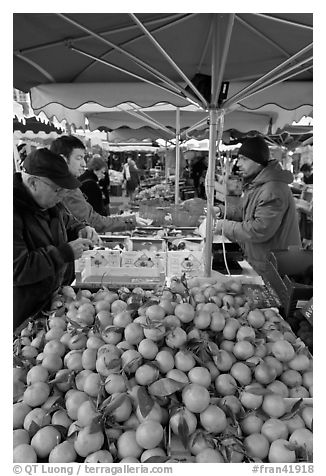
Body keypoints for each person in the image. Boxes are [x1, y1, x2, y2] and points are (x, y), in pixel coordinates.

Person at [13, 148, 100, 330]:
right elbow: (17, 268)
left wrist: (82, 229)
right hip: (21, 316)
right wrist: (63, 253)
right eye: (57, 189)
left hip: (49, 306)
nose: (62, 196)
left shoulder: (53, 204)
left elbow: (69, 223)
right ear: (34, 183)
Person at [214, 136, 301, 275]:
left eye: (244, 159)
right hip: (261, 260)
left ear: (259, 161)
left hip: (276, 267)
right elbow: (243, 211)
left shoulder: (272, 189)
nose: (238, 164)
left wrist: (222, 226)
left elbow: (259, 229)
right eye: (239, 158)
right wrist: (220, 211)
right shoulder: (256, 184)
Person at [50, 136, 146, 232]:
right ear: (63, 160)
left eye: (84, 158)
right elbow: (91, 221)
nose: (83, 164)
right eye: (79, 158)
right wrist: (129, 221)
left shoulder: (67, 184)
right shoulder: (65, 188)